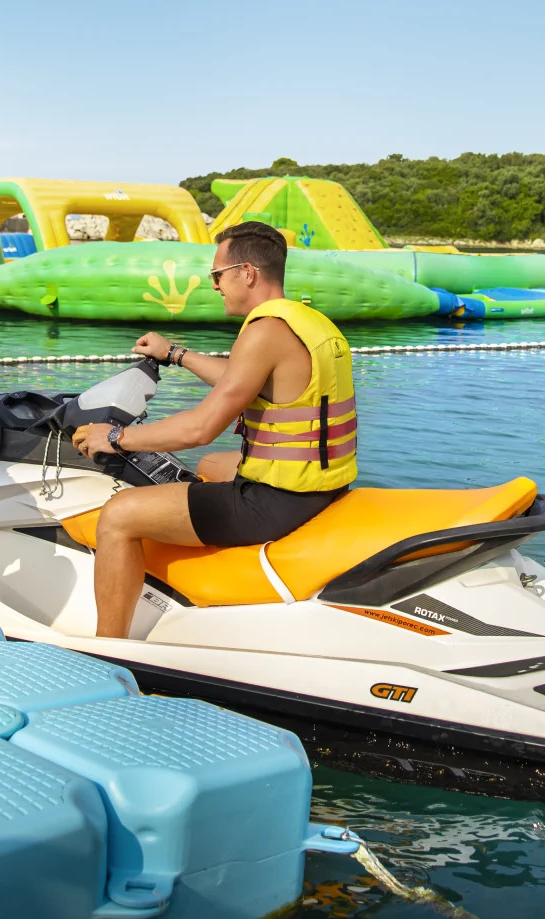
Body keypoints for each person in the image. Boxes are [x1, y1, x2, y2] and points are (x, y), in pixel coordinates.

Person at [71, 221, 356, 638]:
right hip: (323, 487)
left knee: (117, 516)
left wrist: (115, 438)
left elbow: (200, 428)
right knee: (210, 464)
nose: (215, 285)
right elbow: (242, 379)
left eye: (217, 275)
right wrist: (175, 354)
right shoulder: (307, 322)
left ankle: (110, 647)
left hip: (275, 503)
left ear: (247, 273)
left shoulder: (264, 331)